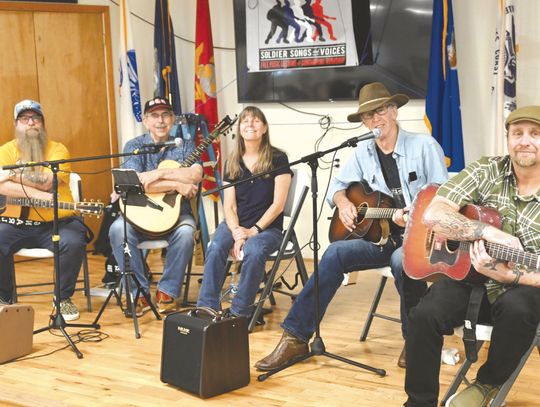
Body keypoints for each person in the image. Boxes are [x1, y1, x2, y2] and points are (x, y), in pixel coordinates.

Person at [255, 82, 448, 371]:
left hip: (420, 239)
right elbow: (337, 186)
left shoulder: (424, 146)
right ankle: (295, 337)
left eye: (381, 111)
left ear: (394, 112)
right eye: (369, 115)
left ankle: (417, 339)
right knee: (334, 254)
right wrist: (343, 202)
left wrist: (418, 214)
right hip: (382, 237)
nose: (375, 119)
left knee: (400, 260)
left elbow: (443, 196)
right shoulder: (362, 152)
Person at [404, 105, 540, 406]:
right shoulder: (487, 169)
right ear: (508, 139)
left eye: (535, 134)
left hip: (524, 287)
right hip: (471, 278)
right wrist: (487, 232)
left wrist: (510, 275)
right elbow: (433, 212)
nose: (525, 141)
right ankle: (418, 401)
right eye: (517, 133)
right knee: (424, 315)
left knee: (519, 306)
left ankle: (486, 385)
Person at [108, 97, 202, 316]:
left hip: (176, 213)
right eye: (155, 116)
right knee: (117, 230)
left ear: (172, 119)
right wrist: (178, 183)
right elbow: (135, 183)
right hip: (139, 212)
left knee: (187, 233)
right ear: (145, 120)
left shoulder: (184, 144)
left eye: (166, 115)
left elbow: (196, 175)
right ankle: (138, 292)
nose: (161, 121)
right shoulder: (134, 146)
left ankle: (167, 292)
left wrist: (158, 174)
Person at [197, 106, 292, 320]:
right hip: (236, 224)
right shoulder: (232, 162)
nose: (250, 124)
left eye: (256, 120)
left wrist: (253, 231)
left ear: (265, 128)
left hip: (267, 228)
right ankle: (206, 308)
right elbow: (229, 206)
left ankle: (240, 312)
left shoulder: (278, 158)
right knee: (216, 246)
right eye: (245, 121)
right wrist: (237, 232)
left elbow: (278, 205)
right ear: (239, 129)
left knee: (255, 250)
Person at [0, 99, 88, 321]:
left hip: (58, 222)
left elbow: (49, 182)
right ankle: (4, 298)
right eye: (24, 118)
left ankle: (63, 298)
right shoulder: (6, 151)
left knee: (73, 241)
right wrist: (36, 194)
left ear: (42, 123)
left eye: (35, 118)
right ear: (16, 124)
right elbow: (1, 185)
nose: (31, 123)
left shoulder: (58, 149)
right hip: (17, 223)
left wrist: (13, 175)